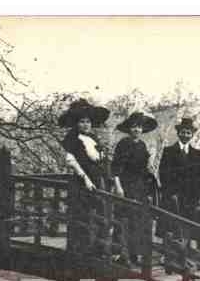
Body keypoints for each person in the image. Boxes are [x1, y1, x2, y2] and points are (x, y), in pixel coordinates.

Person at [58, 99, 110, 255]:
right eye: (82, 122)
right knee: (82, 215)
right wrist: (85, 179)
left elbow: (100, 159)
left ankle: (97, 248)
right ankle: (80, 249)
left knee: (98, 213)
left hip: (97, 178)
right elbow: (71, 161)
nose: (85, 125)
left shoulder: (93, 139)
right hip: (81, 181)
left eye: (88, 122)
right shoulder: (73, 139)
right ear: (77, 123)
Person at [111, 111, 159, 263]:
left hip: (139, 187)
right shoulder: (123, 144)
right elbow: (116, 167)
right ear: (129, 129)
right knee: (122, 218)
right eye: (134, 127)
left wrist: (150, 168)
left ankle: (134, 253)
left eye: (139, 127)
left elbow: (144, 169)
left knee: (138, 220)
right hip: (125, 184)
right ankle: (117, 253)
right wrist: (118, 186)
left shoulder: (143, 145)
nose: (137, 130)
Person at [158, 117, 200, 239]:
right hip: (173, 196)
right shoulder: (168, 151)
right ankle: (168, 255)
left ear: (192, 135)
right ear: (178, 133)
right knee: (171, 227)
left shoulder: (197, 154)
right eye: (183, 132)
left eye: (188, 133)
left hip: (191, 197)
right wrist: (170, 192)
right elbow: (163, 173)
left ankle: (185, 254)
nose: (185, 135)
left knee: (188, 228)